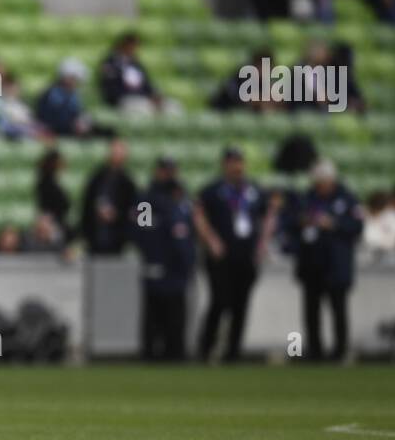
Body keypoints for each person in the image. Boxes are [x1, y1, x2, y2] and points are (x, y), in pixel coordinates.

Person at [194, 147, 276, 362]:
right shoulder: (212, 191)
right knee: (219, 302)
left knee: (241, 304)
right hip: (221, 257)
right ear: (225, 165)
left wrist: (262, 244)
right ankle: (206, 348)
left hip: (246, 255)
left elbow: (268, 215)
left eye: (240, 162)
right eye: (233, 162)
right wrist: (211, 240)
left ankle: (233, 351)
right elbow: (199, 216)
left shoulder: (254, 191)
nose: (237, 167)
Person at [286, 159, 363, 363]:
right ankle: (314, 350)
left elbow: (356, 226)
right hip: (312, 264)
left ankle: (340, 351)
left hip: (336, 264)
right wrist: (302, 222)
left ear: (331, 180)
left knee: (338, 310)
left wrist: (333, 224)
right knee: (311, 311)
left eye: (322, 182)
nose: (319, 186)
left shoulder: (347, 199)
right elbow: (291, 222)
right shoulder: (307, 198)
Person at [132, 157, 195, 361]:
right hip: (156, 265)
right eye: (165, 170)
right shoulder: (147, 200)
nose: (169, 175)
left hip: (177, 268)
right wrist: (154, 256)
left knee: (176, 317)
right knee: (154, 316)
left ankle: (175, 354)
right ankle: (150, 354)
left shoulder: (181, 199)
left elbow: (186, 233)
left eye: (172, 170)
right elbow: (142, 233)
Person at [79, 137, 137, 256]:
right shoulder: (97, 177)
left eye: (120, 152)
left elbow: (134, 209)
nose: (116, 155)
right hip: (95, 235)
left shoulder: (128, 182)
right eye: (114, 151)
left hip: (118, 237)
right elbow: (87, 203)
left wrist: (117, 214)